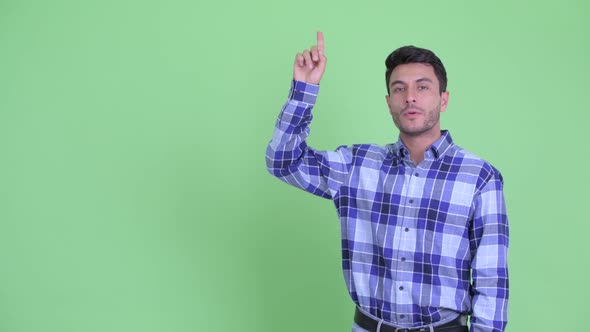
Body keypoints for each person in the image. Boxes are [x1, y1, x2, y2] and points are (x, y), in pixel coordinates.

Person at [265, 32, 509, 332]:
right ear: (389, 101)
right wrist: (305, 89)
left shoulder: (480, 177)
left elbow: (491, 281)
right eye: (399, 88)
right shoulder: (357, 165)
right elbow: (283, 162)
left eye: (423, 87)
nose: (410, 97)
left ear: (443, 99)